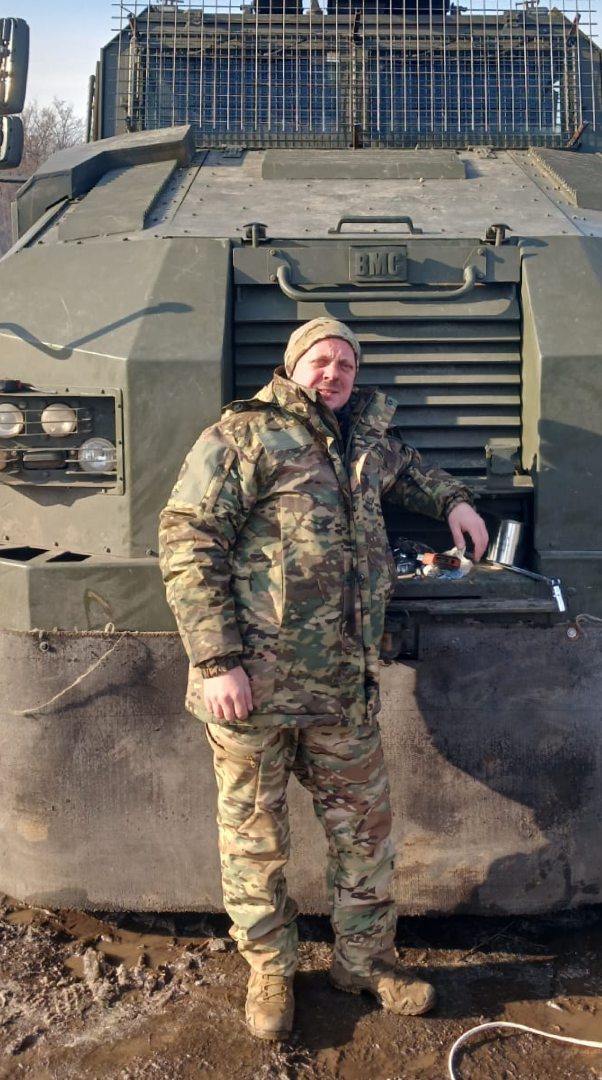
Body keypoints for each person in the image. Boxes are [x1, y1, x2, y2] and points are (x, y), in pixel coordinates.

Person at [159, 317, 488, 1040]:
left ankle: (364, 962)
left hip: (342, 688)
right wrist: (217, 661)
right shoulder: (243, 437)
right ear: (293, 366)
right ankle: (272, 972)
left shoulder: (365, 441)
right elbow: (187, 539)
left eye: (345, 362)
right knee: (254, 837)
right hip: (254, 690)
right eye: (320, 359)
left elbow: (415, 474)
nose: (333, 372)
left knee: (365, 835)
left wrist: (456, 502)